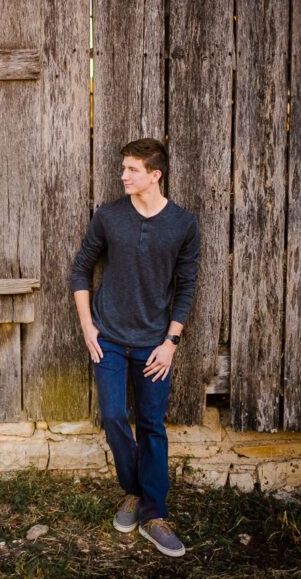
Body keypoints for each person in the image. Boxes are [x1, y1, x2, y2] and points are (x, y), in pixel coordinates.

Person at [69, 137, 200, 558]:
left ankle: (154, 514)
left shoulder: (183, 224)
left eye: (132, 169)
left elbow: (186, 286)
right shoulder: (109, 216)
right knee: (112, 416)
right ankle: (135, 491)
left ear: (154, 175)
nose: (123, 175)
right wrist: (88, 326)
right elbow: (81, 269)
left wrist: (171, 342)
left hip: (153, 345)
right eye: (123, 168)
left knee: (151, 424)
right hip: (108, 339)